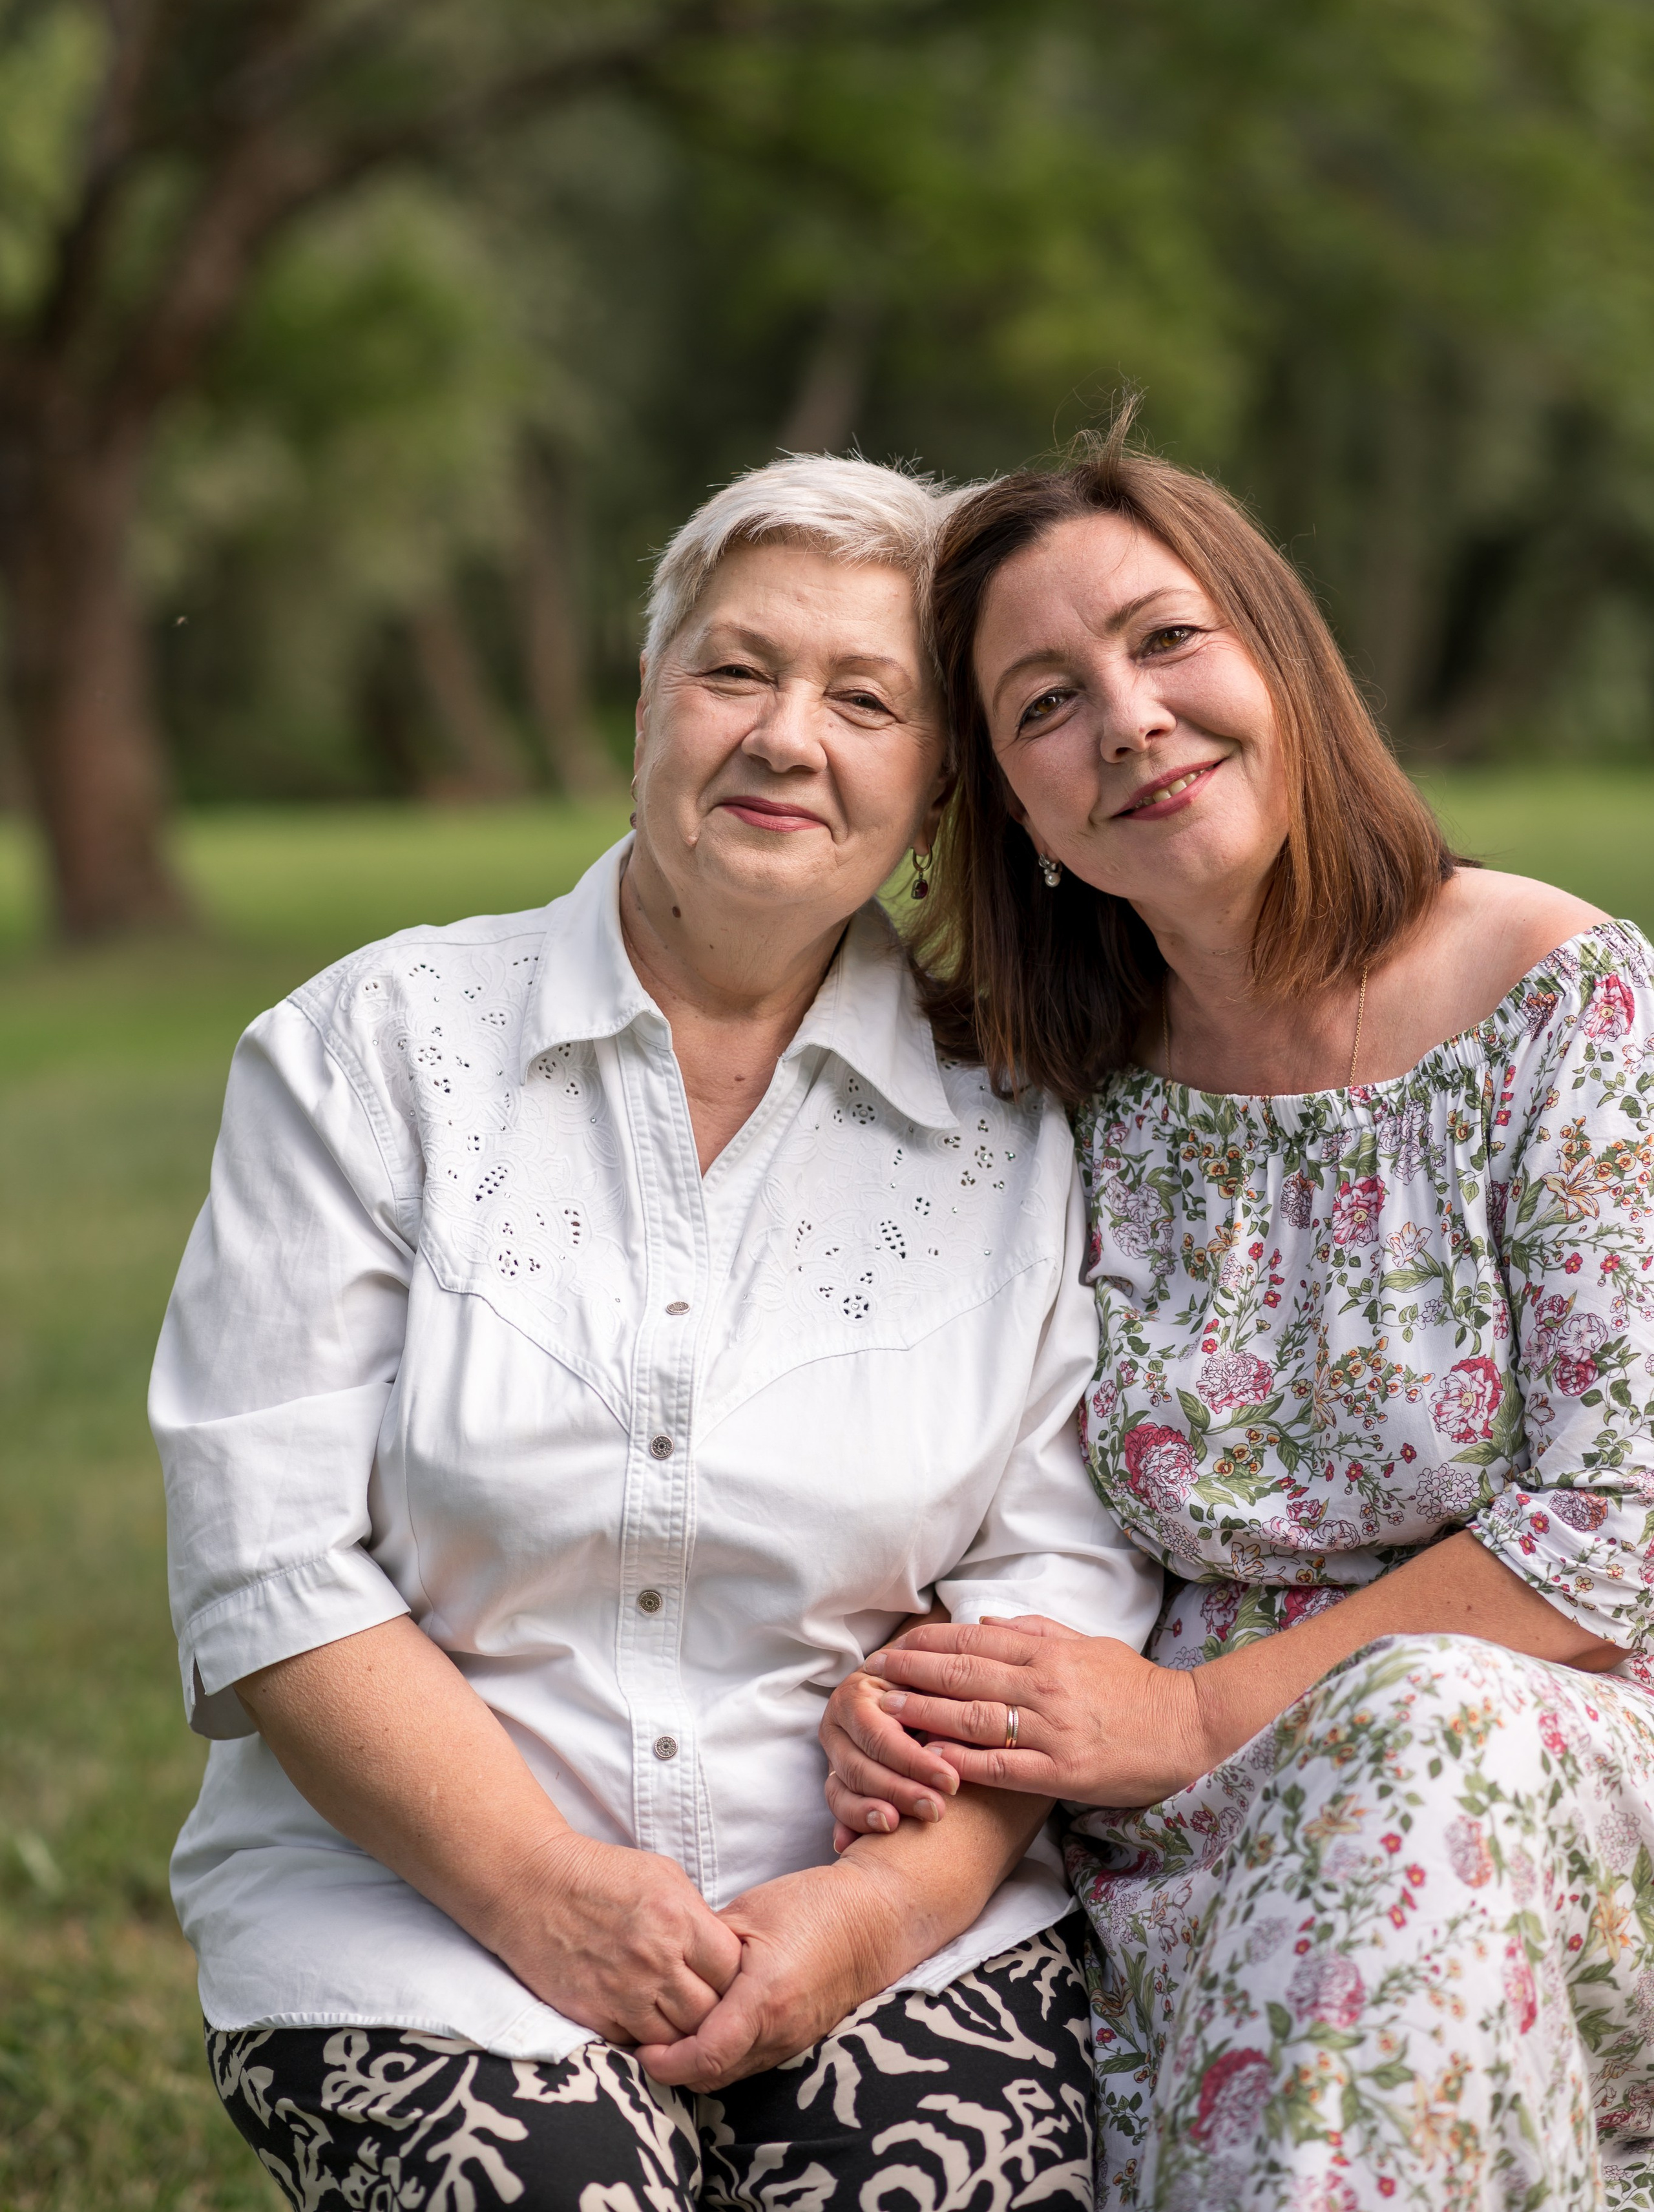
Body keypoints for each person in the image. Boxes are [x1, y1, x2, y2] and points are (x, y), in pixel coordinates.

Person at [150, 452, 1160, 2212]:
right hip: (419, 1920)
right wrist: (539, 1888)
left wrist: (860, 1922)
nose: (789, 736)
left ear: (938, 786)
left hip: (890, 1930)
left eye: (869, 698)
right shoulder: (372, 1051)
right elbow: (270, 1561)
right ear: (647, 704)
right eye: (737, 671)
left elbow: (1050, 1599)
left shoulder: (1017, 1130)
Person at [819, 422, 1654, 2211]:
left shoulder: (1558, 1004)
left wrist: (1202, 1721)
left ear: (1281, 657)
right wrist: (914, 1698)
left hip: (1547, 1772)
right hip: (1172, 1840)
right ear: (1020, 813)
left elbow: (1619, 1525)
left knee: (1429, 1722)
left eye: (1164, 639)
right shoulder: (1052, 1093)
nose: (1124, 718)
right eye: (1044, 705)